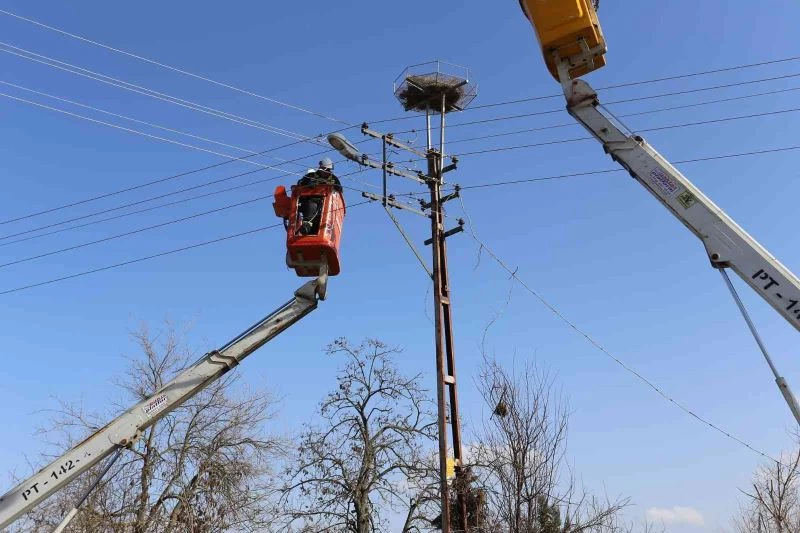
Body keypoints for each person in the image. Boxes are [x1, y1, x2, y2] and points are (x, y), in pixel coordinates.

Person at [296, 158, 342, 235]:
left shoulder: (334, 179)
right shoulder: (311, 176)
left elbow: (339, 189)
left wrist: (333, 187)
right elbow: (300, 183)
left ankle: (317, 231)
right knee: (311, 204)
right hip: (311, 200)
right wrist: (308, 185)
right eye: (325, 170)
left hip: (327, 204)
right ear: (321, 168)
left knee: (321, 219)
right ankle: (307, 226)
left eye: (328, 170)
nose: (327, 172)